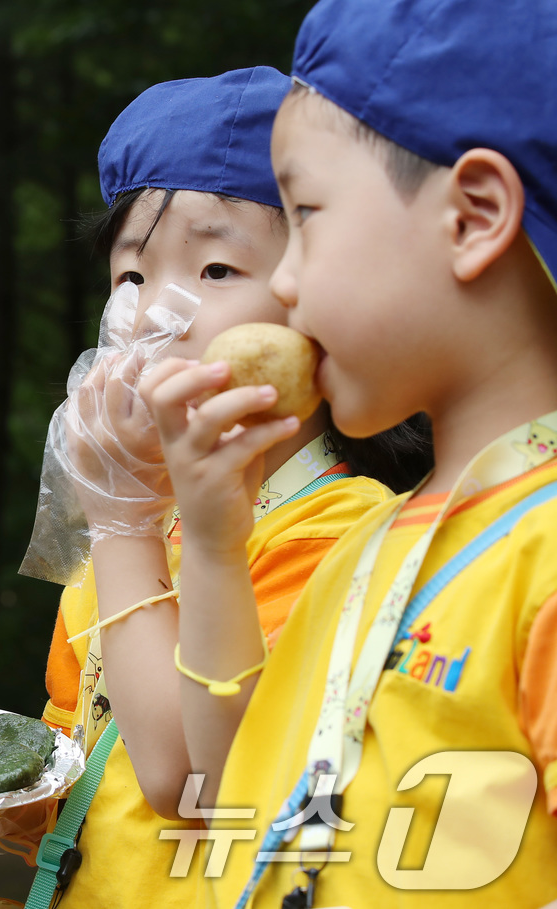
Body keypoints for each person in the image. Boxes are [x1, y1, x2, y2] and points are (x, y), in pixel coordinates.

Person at [139, 1, 557, 905]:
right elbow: (229, 793)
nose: (283, 283)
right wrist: (212, 546)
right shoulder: (376, 544)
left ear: (474, 216)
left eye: (308, 214)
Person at [29, 66, 432, 907]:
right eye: (132, 276)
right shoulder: (137, 526)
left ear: (307, 298)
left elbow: (188, 781)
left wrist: (121, 526)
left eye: (213, 270)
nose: (149, 315)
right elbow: (83, 761)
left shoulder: (340, 532)